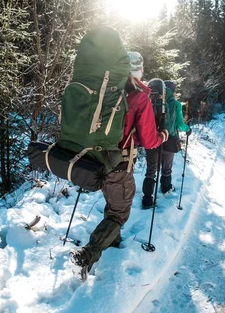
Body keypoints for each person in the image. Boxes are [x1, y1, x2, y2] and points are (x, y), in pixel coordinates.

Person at [70, 51, 168, 279]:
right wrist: (162, 135)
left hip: (95, 160)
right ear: (137, 71)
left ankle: (114, 245)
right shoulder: (139, 98)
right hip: (119, 164)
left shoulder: (105, 92)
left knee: (113, 203)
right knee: (119, 213)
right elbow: (149, 140)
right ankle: (88, 253)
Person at [142, 80, 191, 208]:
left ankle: (147, 199)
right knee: (166, 168)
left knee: (151, 170)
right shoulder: (176, 104)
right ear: (172, 91)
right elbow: (180, 125)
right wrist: (188, 129)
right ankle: (165, 188)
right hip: (169, 139)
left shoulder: (150, 101)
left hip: (152, 139)